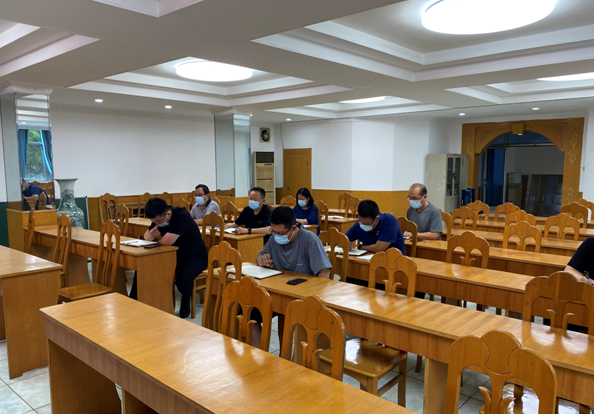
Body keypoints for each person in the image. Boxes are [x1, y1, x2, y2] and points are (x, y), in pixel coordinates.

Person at [130, 197, 208, 319]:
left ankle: (185, 299)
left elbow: (166, 242)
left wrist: (155, 237)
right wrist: (153, 236)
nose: (157, 224)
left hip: (194, 256)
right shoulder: (158, 217)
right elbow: (147, 236)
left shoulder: (182, 216)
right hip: (173, 255)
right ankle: (134, 300)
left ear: (168, 214)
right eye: (154, 221)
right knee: (144, 264)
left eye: (158, 221)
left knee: (183, 279)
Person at [256, 206, 331, 278]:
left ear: (294, 228)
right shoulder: (273, 238)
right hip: (280, 282)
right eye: (273, 231)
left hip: (305, 284)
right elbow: (259, 256)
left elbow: (324, 272)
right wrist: (261, 260)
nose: (276, 236)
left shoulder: (310, 240)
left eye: (280, 233)